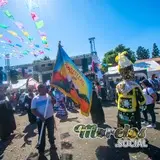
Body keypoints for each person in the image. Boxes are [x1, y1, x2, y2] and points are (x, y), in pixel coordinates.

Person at [115, 51, 146, 130]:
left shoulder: (118, 86)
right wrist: (143, 105)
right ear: (131, 72)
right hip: (133, 110)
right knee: (133, 125)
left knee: (123, 123)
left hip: (121, 110)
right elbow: (142, 100)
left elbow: (116, 99)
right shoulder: (135, 86)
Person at [31, 84, 57, 157]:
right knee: (41, 134)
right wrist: (40, 116)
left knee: (51, 132)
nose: (46, 90)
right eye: (44, 89)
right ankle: (41, 149)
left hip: (50, 118)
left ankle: (52, 144)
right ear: (39, 90)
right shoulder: (35, 99)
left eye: (46, 88)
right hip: (41, 120)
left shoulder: (48, 96)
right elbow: (33, 110)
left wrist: (52, 96)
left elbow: (54, 102)